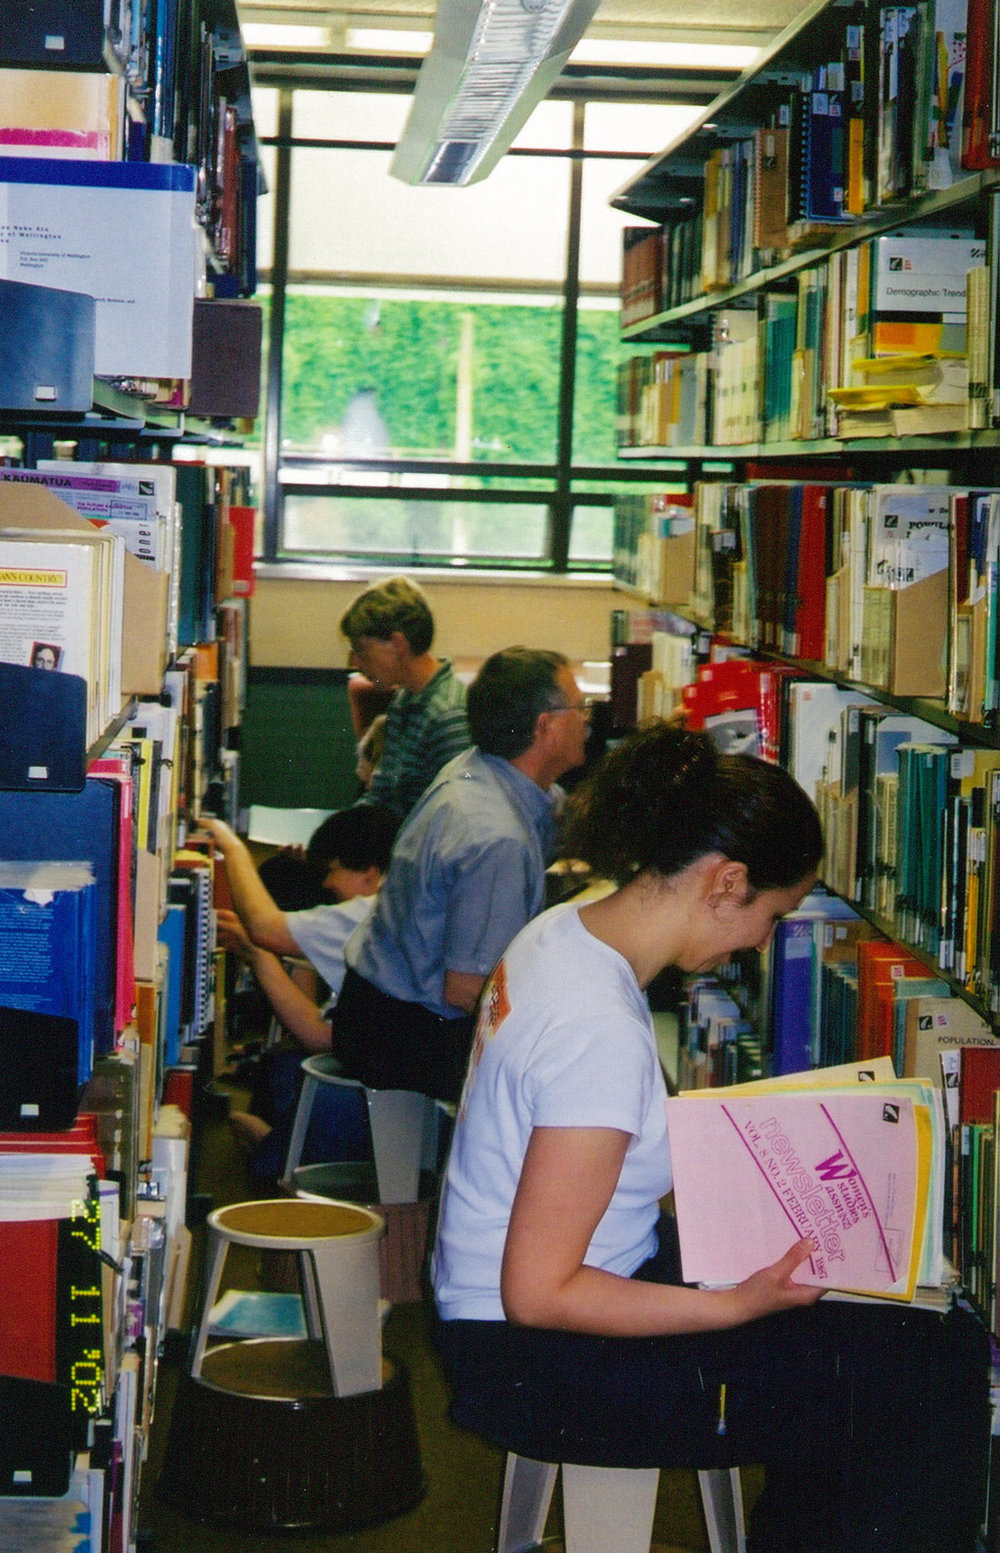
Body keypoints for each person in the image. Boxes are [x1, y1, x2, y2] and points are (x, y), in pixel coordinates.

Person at [431, 722, 990, 1553]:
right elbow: (539, 1292)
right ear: (726, 881)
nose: (763, 942)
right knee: (927, 1367)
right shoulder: (599, 1033)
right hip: (536, 1361)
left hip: (544, 1306)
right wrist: (733, 1304)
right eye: (772, 914)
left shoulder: (566, 930)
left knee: (888, 1324)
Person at [330, 647, 590, 1106]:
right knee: (573, 1077)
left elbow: (556, 815)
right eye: (579, 706)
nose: (587, 719)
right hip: (407, 1036)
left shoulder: (480, 768)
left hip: (374, 1007)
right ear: (544, 727)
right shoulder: (497, 838)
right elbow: (468, 991)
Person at [201, 802, 401, 1180]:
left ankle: (278, 1156)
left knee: (299, 1079)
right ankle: (278, 1152)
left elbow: (264, 926)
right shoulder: (394, 908)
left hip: (381, 1098)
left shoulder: (372, 913)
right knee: (291, 1072)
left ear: (370, 874)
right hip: (392, 1093)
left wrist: (232, 846)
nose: (326, 884)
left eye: (333, 871)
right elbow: (319, 1031)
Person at [340, 575, 471, 821]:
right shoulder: (405, 697)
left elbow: (449, 821)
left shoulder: (449, 716)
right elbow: (383, 795)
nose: (356, 662)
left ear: (398, 644)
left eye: (362, 650)